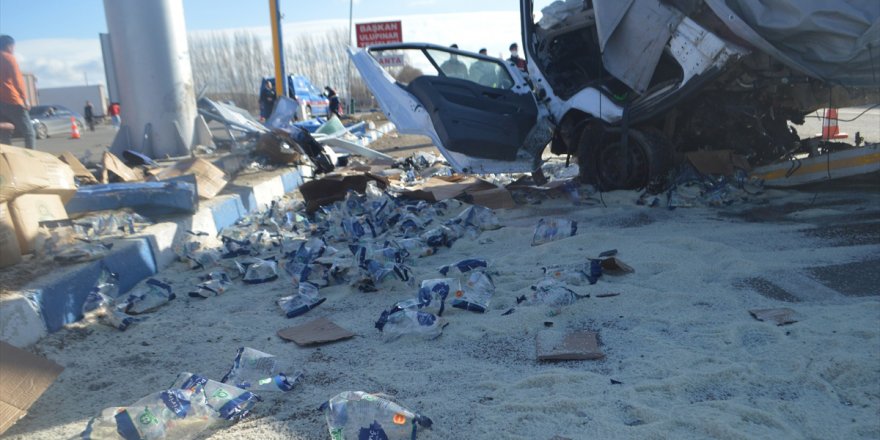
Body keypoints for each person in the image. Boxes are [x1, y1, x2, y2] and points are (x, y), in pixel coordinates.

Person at [0, 35, 35, 149]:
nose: (14, 49)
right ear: (9, 46)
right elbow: (17, 80)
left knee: (5, 133)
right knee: (29, 132)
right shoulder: (9, 58)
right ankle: (31, 157)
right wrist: (24, 99)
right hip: (12, 99)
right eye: (13, 47)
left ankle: (7, 159)